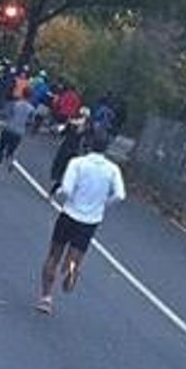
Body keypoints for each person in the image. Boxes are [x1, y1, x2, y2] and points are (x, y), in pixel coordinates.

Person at [35, 131, 126, 314]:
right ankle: (72, 269)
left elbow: (67, 189)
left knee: (54, 255)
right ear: (106, 148)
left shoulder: (77, 163)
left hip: (69, 214)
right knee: (75, 255)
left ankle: (46, 297)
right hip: (90, 221)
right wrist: (103, 204)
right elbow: (120, 195)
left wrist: (60, 194)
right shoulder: (112, 169)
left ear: (89, 144)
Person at [0, 90, 36, 178]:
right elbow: (30, 122)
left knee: (1, 148)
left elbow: (7, 115)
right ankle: (10, 162)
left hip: (8, 128)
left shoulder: (15, 104)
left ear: (22, 94)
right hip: (19, 132)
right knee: (11, 151)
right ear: (30, 97)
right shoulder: (31, 109)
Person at [49, 108, 92, 195]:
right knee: (67, 168)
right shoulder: (88, 127)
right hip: (76, 150)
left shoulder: (72, 122)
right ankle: (61, 182)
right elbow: (87, 142)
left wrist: (56, 130)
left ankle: (55, 182)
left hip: (66, 146)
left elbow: (62, 131)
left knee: (58, 164)